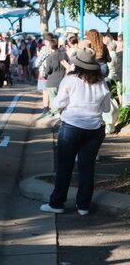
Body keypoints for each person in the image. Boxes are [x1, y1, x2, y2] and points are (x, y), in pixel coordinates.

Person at [41, 48, 112, 216]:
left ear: (77, 64)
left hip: (71, 126)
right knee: (87, 168)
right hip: (94, 129)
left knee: (65, 167)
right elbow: (106, 107)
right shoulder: (102, 81)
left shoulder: (70, 79)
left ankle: (57, 203)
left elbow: (58, 103)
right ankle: (83, 206)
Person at [38, 38, 67, 118]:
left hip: (52, 81)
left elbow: (48, 70)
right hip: (63, 80)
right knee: (61, 97)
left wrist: (45, 74)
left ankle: (56, 112)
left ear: (50, 47)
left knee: (53, 97)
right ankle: (62, 112)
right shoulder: (64, 54)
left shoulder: (50, 56)